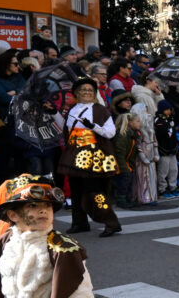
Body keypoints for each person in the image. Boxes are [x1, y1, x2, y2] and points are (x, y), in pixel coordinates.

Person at [57, 78, 122, 237]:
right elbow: (65, 128)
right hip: (73, 154)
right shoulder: (72, 109)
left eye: (90, 90)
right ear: (77, 93)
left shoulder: (99, 110)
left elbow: (110, 132)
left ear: (94, 93)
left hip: (93, 156)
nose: (86, 92)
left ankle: (111, 222)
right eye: (83, 90)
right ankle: (79, 222)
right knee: (76, 189)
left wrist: (92, 126)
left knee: (94, 190)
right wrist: (53, 113)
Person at [129, 102, 158, 207]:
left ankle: (152, 196)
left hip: (150, 156)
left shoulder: (150, 128)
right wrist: (143, 157)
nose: (148, 113)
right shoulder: (138, 130)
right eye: (145, 111)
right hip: (142, 158)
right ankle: (144, 197)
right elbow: (138, 146)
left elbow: (154, 141)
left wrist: (156, 153)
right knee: (143, 176)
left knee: (151, 176)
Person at [112, 107, 140, 209]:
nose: (139, 123)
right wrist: (124, 168)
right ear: (130, 123)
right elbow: (119, 154)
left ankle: (128, 199)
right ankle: (121, 200)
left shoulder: (132, 134)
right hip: (120, 163)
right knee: (124, 179)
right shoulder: (122, 136)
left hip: (127, 162)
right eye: (137, 121)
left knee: (129, 179)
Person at [155, 100, 179, 198]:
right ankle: (162, 189)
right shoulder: (158, 120)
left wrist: (173, 105)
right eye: (166, 109)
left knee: (174, 170)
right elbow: (160, 135)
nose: (169, 111)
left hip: (172, 150)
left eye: (169, 109)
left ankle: (173, 187)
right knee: (163, 171)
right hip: (163, 150)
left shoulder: (171, 119)